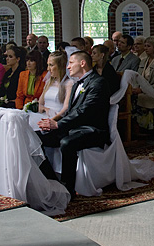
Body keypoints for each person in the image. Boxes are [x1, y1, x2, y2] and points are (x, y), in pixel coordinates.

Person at [37, 50, 111, 199]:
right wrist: (53, 123)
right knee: (37, 137)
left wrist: (58, 125)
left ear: (82, 63)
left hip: (93, 130)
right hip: (75, 128)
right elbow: (71, 112)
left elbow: (85, 111)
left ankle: (68, 187)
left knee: (66, 143)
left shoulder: (98, 82)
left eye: (71, 63)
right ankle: (51, 179)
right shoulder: (77, 83)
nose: (68, 67)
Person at [39, 51, 73, 121]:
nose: (48, 69)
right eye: (48, 65)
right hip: (44, 116)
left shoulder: (69, 83)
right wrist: (44, 108)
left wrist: (51, 121)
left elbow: (66, 108)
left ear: (60, 66)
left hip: (57, 119)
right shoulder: (49, 82)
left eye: (51, 65)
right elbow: (40, 103)